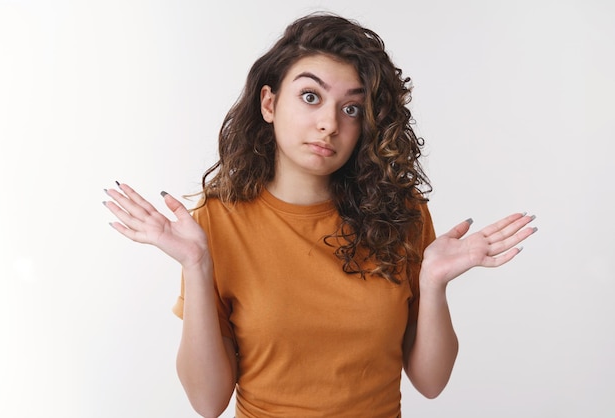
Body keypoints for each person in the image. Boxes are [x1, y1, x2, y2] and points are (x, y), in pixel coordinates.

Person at [103, 12, 537, 418]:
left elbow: (431, 381)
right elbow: (207, 401)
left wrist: (433, 283)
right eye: (310, 97)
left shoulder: (401, 214)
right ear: (269, 104)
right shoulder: (215, 221)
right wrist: (196, 266)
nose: (329, 123)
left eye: (350, 108)